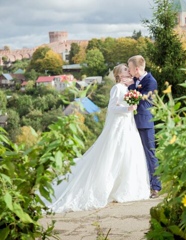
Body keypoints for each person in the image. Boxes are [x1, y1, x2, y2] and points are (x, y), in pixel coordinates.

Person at [43, 63, 150, 213]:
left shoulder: (127, 88)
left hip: (128, 124)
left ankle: (125, 188)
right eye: (125, 69)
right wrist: (128, 108)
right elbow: (112, 108)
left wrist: (132, 105)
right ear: (119, 74)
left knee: (128, 153)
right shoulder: (117, 88)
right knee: (116, 153)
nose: (128, 71)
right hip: (120, 125)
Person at [127, 55, 161, 199]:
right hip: (131, 122)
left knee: (150, 155)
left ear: (136, 69)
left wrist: (129, 93)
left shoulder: (151, 82)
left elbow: (141, 97)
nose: (128, 71)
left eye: (129, 68)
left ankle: (156, 187)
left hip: (145, 122)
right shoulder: (134, 81)